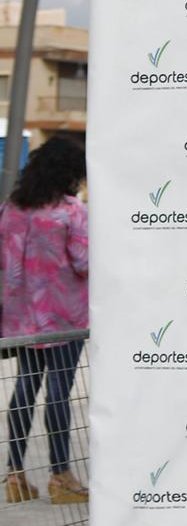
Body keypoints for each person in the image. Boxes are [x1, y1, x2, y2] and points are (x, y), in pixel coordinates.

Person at [2, 137, 89, 505]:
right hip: (65, 318)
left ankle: (15, 476)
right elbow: (85, 263)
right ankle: (60, 475)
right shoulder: (70, 211)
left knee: (24, 390)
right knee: (59, 392)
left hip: (23, 320)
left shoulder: (11, 209)